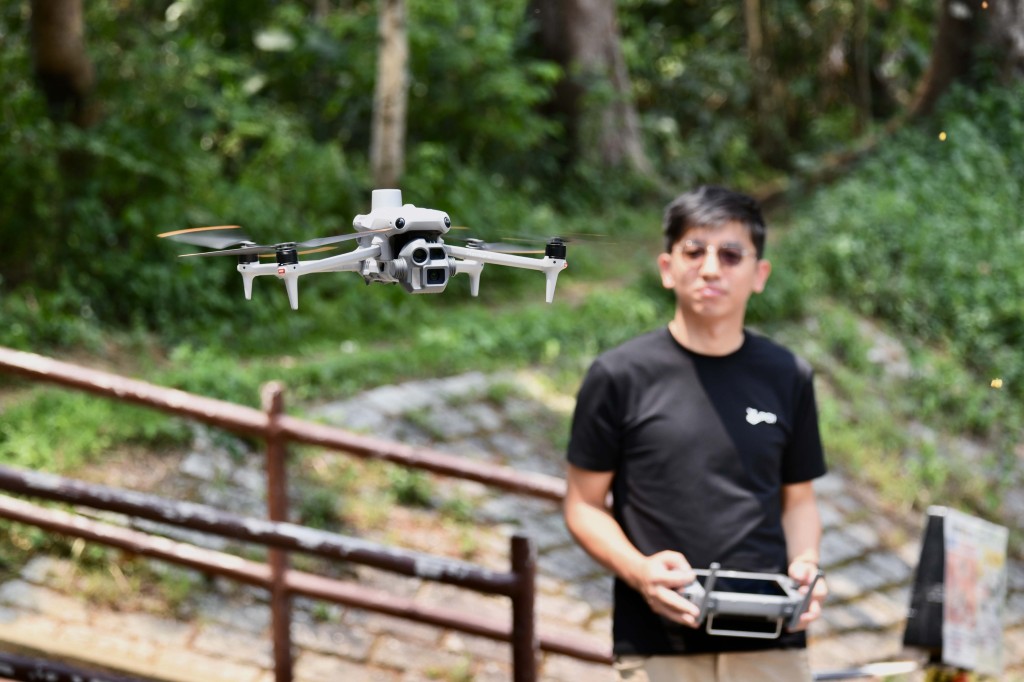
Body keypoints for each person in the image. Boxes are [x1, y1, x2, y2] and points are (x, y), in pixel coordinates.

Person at [564, 185, 828, 682]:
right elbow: (583, 505)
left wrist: (807, 564)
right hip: (660, 644)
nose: (710, 269)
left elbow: (799, 501)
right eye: (694, 251)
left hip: (772, 642)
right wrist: (639, 570)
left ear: (760, 274)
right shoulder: (619, 375)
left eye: (730, 254)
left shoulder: (788, 376)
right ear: (667, 268)